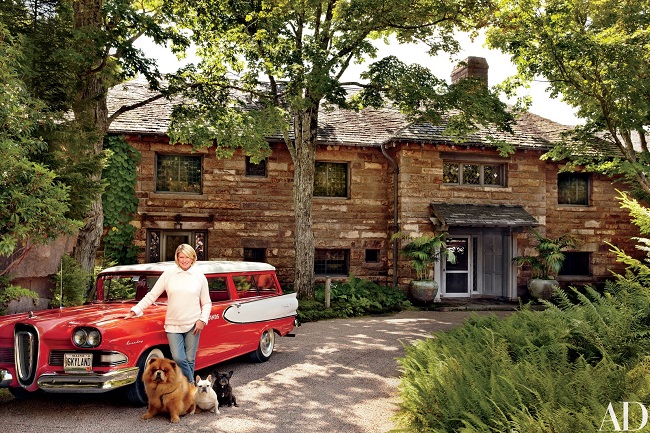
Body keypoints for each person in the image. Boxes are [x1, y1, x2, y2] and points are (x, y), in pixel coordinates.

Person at [124, 244, 211, 384]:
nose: (184, 260)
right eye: (181, 257)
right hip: (173, 325)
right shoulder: (168, 274)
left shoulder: (199, 276)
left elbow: (207, 302)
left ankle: (186, 393)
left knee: (190, 359)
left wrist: (202, 320)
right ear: (177, 257)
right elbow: (152, 295)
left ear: (193, 257)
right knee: (178, 358)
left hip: (193, 324)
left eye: (187, 257)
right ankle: (192, 385)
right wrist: (136, 309)